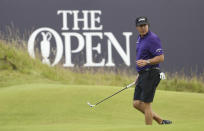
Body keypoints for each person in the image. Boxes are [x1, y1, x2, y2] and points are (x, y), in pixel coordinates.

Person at [133, 16, 172, 125]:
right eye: (141, 26)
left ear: (148, 25)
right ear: (137, 27)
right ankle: (160, 121)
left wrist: (147, 62)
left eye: (145, 25)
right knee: (136, 103)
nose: (143, 28)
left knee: (146, 104)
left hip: (151, 73)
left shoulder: (152, 38)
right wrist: (139, 73)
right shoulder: (139, 38)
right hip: (143, 74)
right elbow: (142, 56)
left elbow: (161, 57)